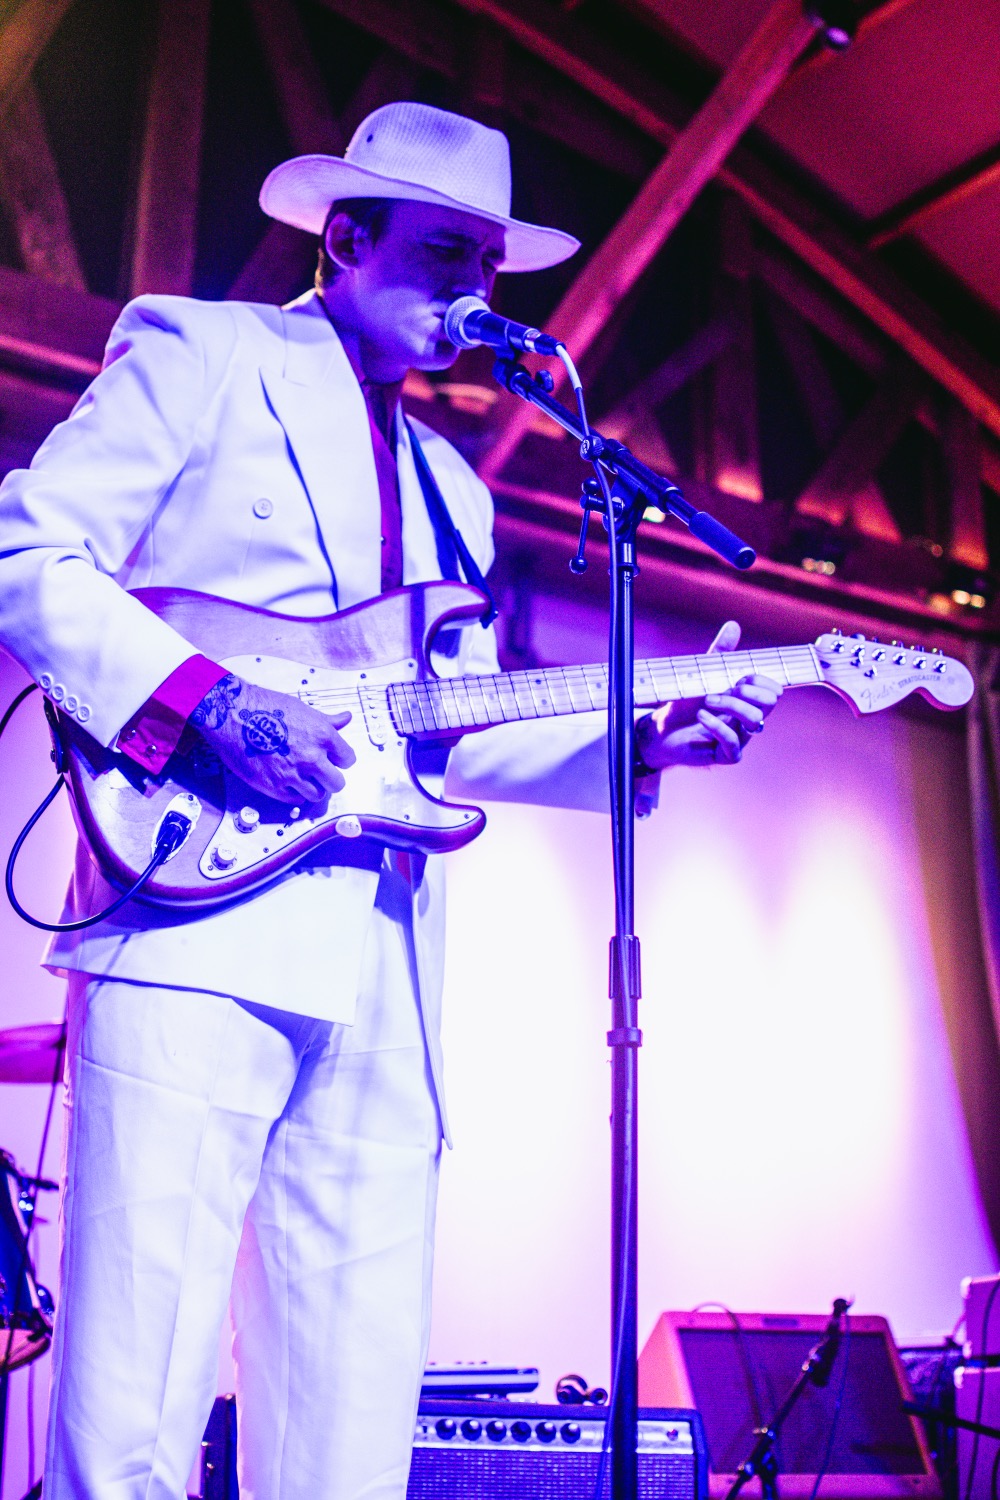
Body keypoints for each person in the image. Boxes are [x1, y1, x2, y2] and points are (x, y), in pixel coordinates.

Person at [0, 102, 781, 1499]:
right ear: (347, 239)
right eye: (443, 254)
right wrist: (209, 703)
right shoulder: (203, 353)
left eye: (489, 264)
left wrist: (641, 748)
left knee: (350, 1419)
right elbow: (24, 552)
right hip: (189, 925)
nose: (473, 290)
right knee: (133, 1404)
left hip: (385, 962)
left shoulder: (456, 492)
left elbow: (444, 740)